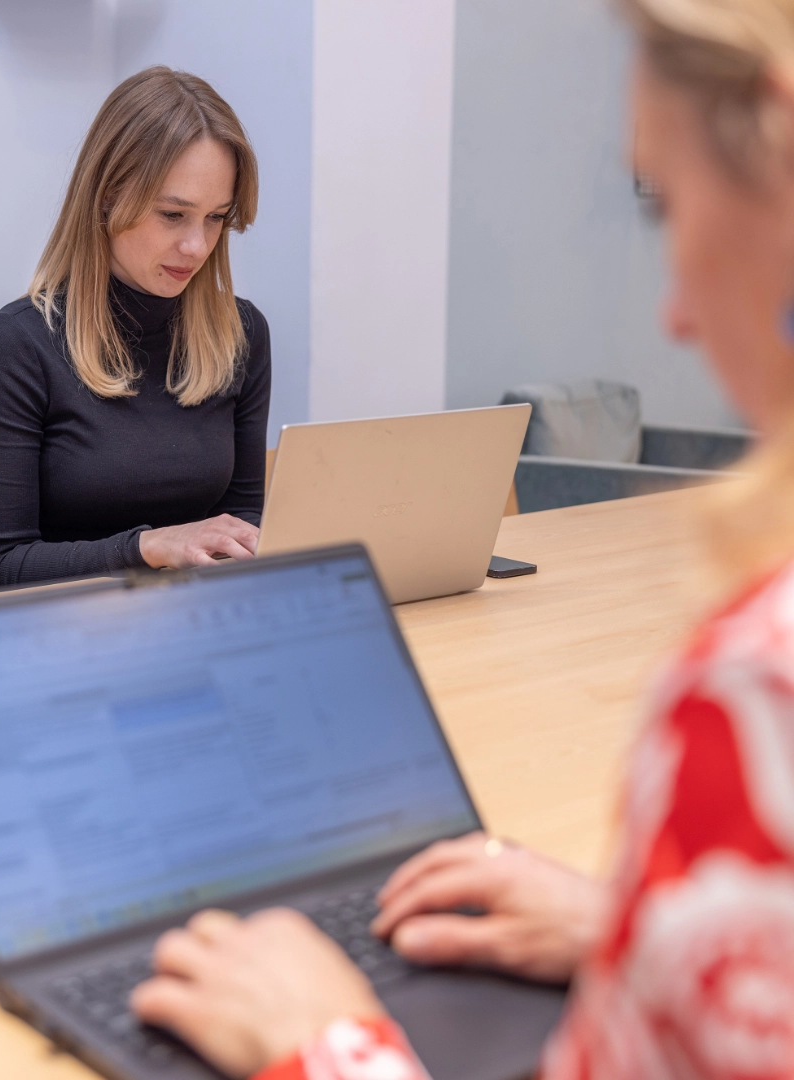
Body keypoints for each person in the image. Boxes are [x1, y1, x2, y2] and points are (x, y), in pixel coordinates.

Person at [127, 1, 794, 1077]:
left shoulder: (759, 685)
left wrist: (323, 1040)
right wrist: (646, 930)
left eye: (669, 201)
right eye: (173, 215)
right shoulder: (22, 342)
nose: (671, 313)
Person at [0, 67, 270, 589]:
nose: (197, 246)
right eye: (173, 214)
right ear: (107, 197)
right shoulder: (17, 345)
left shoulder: (242, 334)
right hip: (65, 628)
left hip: (199, 618)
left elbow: (242, 526)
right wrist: (150, 548)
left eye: (216, 217)